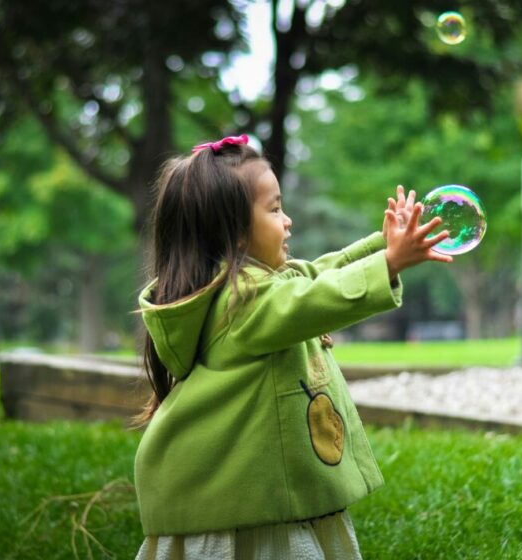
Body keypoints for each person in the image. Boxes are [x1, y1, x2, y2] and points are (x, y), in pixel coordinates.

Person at [133, 134, 452, 560]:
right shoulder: (242, 303)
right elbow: (318, 297)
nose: (288, 221)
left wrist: (382, 244)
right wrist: (389, 263)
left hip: (259, 496)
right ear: (236, 234)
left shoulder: (254, 287)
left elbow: (320, 272)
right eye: (275, 208)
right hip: (243, 511)